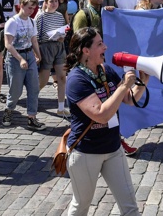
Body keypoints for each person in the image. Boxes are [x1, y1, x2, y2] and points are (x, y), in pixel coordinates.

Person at [64, 27, 149, 216]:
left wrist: (143, 82)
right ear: (86, 50)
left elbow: (128, 99)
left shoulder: (105, 70)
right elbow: (102, 114)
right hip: (86, 152)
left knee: (130, 206)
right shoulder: (76, 80)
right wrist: (125, 85)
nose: (106, 46)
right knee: (81, 205)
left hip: (112, 148)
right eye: (100, 44)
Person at [2, 0, 45, 129]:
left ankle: (31, 117)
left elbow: (33, 40)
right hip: (15, 57)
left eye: (33, 8)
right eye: (29, 8)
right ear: (21, 6)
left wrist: (39, 55)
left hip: (29, 55)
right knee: (16, 90)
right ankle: (9, 110)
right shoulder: (12, 22)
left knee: (34, 88)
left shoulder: (31, 21)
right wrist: (20, 59)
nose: (31, 11)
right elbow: (8, 44)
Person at [35, 0, 69, 116]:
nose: (54, 3)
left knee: (62, 77)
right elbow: (36, 36)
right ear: (46, 3)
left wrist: (62, 36)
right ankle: (32, 99)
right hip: (46, 47)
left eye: (56, 1)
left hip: (59, 47)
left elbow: (62, 30)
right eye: (51, 1)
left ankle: (61, 107)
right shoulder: (40, 17)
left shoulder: (60, 15)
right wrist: (37, 53)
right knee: (43, 79)